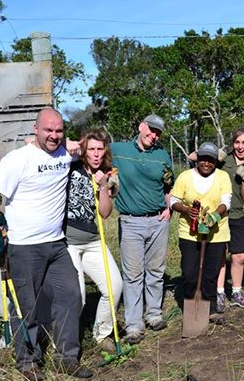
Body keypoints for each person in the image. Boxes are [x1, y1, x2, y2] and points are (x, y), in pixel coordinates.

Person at [0, 108, 92, 381]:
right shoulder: (18, 159)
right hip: (24, 247)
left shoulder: (65, 153)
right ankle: (28, 362)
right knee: (25, 306)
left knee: (71, 295)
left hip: (56, 244)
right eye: (48, 130)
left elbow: (87, 147)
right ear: (35, 128)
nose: (53, 136)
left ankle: (66, 358)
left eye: (59, 130)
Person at [111, 114, 174, 345]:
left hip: (158, 220)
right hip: (131, 222)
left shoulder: (162, 155)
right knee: (133, 274)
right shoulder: (117, 150)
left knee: (156, 271)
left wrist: (169, 209)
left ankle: (154, 314)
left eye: (158, 132)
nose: (154, 135)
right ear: (141, 126)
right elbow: (91, 152)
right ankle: (134, 325)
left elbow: (168, 184)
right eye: (151, 130)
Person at [65, 129, 122, 353]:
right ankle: (68, 339)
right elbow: (31, 141)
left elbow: (105, 213)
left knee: (115, 286)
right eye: (92, 149)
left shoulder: (108, 174)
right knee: (77, 295)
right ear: (84, 150)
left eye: (100, 149)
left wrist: (103, 187)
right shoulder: (70, 164)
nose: (96, 154)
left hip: (93, 240)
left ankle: (102, 333)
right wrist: (66, 144)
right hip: (68, 241)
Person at [171, 142, 232, 322]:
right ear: (198, 159)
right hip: (189, 233)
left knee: (210, 273)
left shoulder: (222, 177)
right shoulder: (185, 177)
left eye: (211, 160)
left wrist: (215, 215)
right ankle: (191, 306)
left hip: (216, 233)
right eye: (203, 159)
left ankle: (211, 308)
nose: (206, 163)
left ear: (215, 161)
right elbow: (173, 200)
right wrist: (185, 209)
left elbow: (226, 202)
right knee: (190, 272)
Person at [215, 128, 244, 313]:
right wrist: (215, 156)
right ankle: (219, 293)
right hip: (217, 214)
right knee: (219, 257)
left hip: (237, 214)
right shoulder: (224, 160)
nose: (240, 147)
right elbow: (195, 158)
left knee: (239, 256)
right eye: (237, 142)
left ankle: (237, 293)